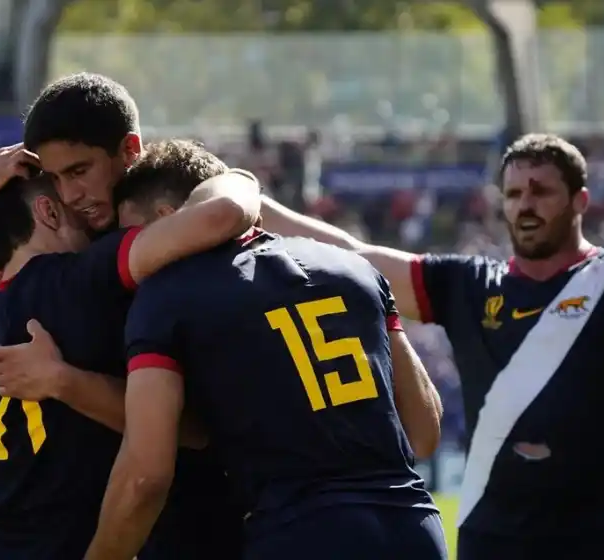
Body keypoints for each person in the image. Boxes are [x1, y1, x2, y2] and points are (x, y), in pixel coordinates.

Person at [258, 133, 604, 560]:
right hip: (492, 539)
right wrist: (254, 207)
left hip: (603, 539)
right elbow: (353, 256)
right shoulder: (470, 284)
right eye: (513, 193)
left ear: (580, 201)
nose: (525, 205)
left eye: (541, 191)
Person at [0, 73, 252, 560]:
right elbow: (189, 431)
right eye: (60, 182)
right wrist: (244, 179)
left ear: (129, 150)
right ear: (47, 213)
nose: (73, 197)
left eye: (79, 171)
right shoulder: (89, 272)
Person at [79, 140, 446, 560]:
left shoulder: (167, 295)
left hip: (299, 534)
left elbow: (146, 475)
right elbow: (424, 431)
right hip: (413, 527)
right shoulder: (354, 268)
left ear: (167, 220)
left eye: (132, 238)